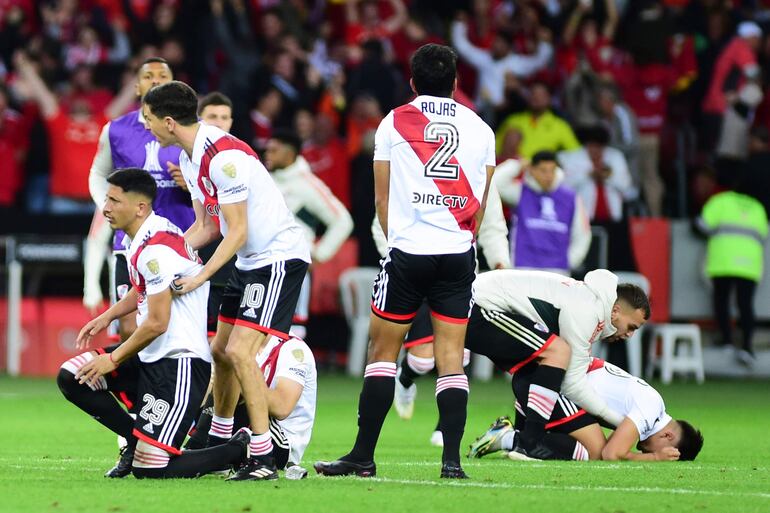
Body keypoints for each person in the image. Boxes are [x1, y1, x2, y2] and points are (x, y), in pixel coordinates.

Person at [314, 43, 496, 480]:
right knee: (452, 358)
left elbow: (381, 196)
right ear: (456, 83)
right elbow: (482, 203)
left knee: (382, 355)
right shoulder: (481, 129)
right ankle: (451, 463)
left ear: (412, 81)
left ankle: (362, 456)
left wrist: (399, 239)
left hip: (408, 251)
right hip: (457, 254)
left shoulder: (394, 121)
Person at [142, 81, 311, 481]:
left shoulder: (222, 157)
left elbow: (235, 230)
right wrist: (166, 253)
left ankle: (262, 454)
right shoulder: (189, 157)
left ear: (168, 122)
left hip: (278, 257)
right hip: (251, 259)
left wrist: (199, 274)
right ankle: (217, 437)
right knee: (220, 349)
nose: (145, 126)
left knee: (239, 353)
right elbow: (207, 226)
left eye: (148, 119)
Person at [57, 168, 250, 479]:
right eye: (106, 199)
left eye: (114, 201)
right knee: (72, 377)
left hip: (178, 365)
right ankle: (137, 442)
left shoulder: (154, 250)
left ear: (140, 207)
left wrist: (113, 358)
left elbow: (158, 322)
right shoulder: (148, 235)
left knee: (151, 470)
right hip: (150, 357)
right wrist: (109, 315)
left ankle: (238, 450)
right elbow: (144, 288)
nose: (105, 207)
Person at [463, 268, 649, 458]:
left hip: (479, 301)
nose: (630, 335)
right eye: (631, 327)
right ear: (616, 311)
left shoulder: (591, 302)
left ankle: (518, 440)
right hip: (478, 306)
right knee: (558, 352)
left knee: (542, 365)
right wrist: (624, 424)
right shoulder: (588, 311)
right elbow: (572, 384)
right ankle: (527, 442)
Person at [83, 57, 191, 343]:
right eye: (148, 75)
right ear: (136, 86)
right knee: (129, 327)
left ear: (175, 84)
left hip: (183, 242)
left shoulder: (192, 129)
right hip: (130, 245)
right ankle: (138, 388)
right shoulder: (115, 130)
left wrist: (191, 184)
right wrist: (107, 205)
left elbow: (212, 183)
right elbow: (97, 173)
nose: (155, 80)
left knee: (180, 326)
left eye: (163, 75)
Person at [468, 357, 704, 462]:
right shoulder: (651, 409)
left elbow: (618, 448)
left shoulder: (654, 406)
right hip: (545, 384)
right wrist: (654, 457)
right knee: (595, 452)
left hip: (539, 381)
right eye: (670, 452)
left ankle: (521, 436)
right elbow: (611, 454)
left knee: (591, 445)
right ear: (668, 436)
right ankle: (511, 439)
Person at [185, 333, 317, 479]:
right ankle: (204, 447)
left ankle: (203, 449)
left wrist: (243, 382)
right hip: (242, 429)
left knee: (232, 375)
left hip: (281, 442)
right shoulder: (236, 343)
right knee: (218, 375)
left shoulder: (293, 349)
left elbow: (281, 407)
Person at [264, 129, 354, 338]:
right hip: (262, 263)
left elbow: (343, 220)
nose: (268, 154)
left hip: (293, 265)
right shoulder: (265, 180)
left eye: (274, 150)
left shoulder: (307, 184)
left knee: (292, 330)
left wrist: (319, 254)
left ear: (289, 153)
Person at [696, 177, 768, 366]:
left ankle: (727, 340)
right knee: (745, 305)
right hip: (750, 264)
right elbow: (763, 234)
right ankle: (747, 347)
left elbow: (701, 225)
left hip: (723, 260)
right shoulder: (758, 207)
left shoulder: (721, 200)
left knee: (722, 301)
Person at [494, 151, 591, 275]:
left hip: (558, 270)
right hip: (523, 268)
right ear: (532, 170)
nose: (549, 175)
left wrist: (570, 261)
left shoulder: (571, 197)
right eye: (543, 170)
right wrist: (518, 165)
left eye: (552, 170)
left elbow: (583, 233)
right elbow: (494, 183)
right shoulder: (520, 192)